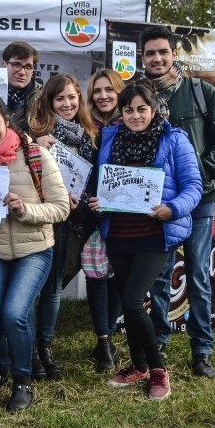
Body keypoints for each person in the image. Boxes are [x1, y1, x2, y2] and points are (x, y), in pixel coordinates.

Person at [89, 81, 202, 401]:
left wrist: (173, 208)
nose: (135, 115)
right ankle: (138, 365)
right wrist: (99, 202)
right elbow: (102, 182)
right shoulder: (109, 137)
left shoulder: (174, 139)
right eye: (128, 110)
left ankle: (158, 370)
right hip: (120, 233)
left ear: (153, 110)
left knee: (132, 302)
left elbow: (194, 184)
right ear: (120, 112)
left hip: (156, 234)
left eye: (141, 109)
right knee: (128, 300)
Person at [0, 94, 70, 411]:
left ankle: (22, 380)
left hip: (34, 249)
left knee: (14, 314)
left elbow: (61, 208)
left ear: (6, 120)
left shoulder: (36, 155)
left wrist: (26, 210)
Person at [140, 25, 215, 379]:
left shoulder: (200, 92)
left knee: (197, 273)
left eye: (162, 52)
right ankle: (160, 342)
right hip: (158, 203)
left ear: (173, 54)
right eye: (150, 53)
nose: (157, 58)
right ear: (143, 58)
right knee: (160, 276)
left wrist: (196, 174)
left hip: (200, 200)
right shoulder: (139, 99)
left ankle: (202, 349)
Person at [23, 73, 98, 380]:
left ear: (79, 98)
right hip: (42, 220)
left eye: (71, 97)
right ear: (48, 102)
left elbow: (94, 179)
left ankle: (45, 347)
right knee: (31, 289)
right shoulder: (36, 133)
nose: (66, 104)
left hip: (72, 223)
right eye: (59, 98)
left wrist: (85, 200)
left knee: (54, 289)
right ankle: (26, 349)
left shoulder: (91, 135)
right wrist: (34, 146)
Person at [85, 68, 126, 372]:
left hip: (124, 213)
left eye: (109, 90)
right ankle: (102, 341)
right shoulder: (82, 124)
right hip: (90, 211)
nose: (103, 96)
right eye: (97, 91)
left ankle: (109, 336)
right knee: (96, 274)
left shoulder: (133, 123)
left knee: (119, 278)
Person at [1, 41, 41, 128]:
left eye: (28, 67)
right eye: (16, 64)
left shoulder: (44, 98)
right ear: (4, 65)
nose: (22, 72)